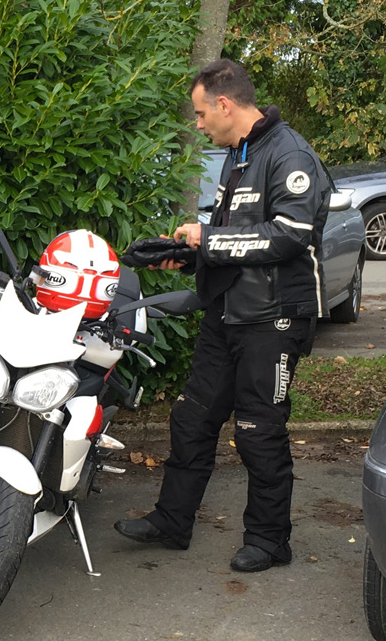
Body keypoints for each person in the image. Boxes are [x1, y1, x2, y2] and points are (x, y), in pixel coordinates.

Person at [115, 59, 331, 572]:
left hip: (274, 318)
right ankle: (172, 522)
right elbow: (238, 242)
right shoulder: (240, 155)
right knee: (192, 418)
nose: (197, 124)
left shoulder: (290, 154)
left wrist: (208, 240)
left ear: (224, 104)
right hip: (227, 312)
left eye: (198, 113)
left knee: (259, 430)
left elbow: (289, 236)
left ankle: (269, 540)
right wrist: (186, 254)